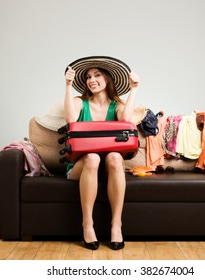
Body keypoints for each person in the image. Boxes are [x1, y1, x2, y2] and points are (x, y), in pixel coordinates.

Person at [64, 56, 139, 250]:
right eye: (88, 77)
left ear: (107, 79)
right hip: (82, 166)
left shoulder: (116, 107)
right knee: (92, 157)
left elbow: (127, 121)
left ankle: (116, 225)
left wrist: (134, 89)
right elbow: (71, 119)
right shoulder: (80, 102)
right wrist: (67, 85)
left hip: (108, 167)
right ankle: (87, 224)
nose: (91, 80)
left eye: (97, 75)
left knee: (114, 157)